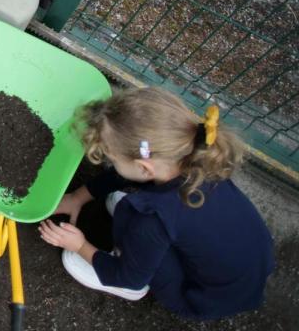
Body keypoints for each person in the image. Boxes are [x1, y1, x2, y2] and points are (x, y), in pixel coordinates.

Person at [39, 87, 274, 320]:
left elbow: (129, 276)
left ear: (144, 167)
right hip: (243, 270)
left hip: (198, 297)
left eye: (112, 158)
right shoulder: (196, 158)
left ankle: (132, 289)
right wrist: (77, 197)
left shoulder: (151, 218)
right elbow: (127, 173)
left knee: (130, 214)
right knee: (136, 210)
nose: (110, 161)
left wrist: (79, 245)